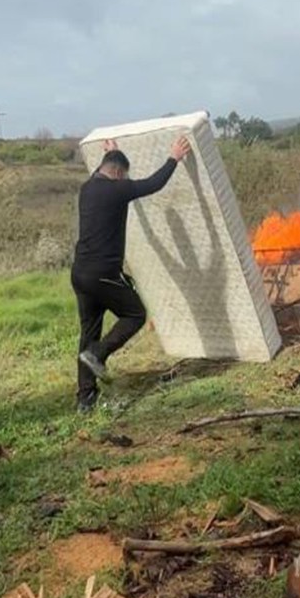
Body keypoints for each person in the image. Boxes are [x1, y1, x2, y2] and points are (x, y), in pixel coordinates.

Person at [72, 134, 192, 411]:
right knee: (135, 314)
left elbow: (110, 168)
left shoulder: (88, 188)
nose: (125, 181)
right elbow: (154, 184)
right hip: (103, 273)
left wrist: (116, 152)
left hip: (80, 274)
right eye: (123, 176)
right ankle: (98, 354)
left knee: (88, 332)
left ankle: (85, 399)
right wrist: (174, 157)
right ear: (116, 174)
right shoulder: (117, 189)